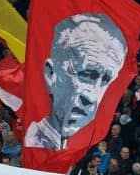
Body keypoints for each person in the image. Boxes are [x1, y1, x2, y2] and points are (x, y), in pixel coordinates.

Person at [24, 14, 127, 150]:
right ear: (51, 74)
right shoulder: (32, 144)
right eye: (87, 74)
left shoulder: (73, 147)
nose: (91, 97)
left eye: (106, 80)